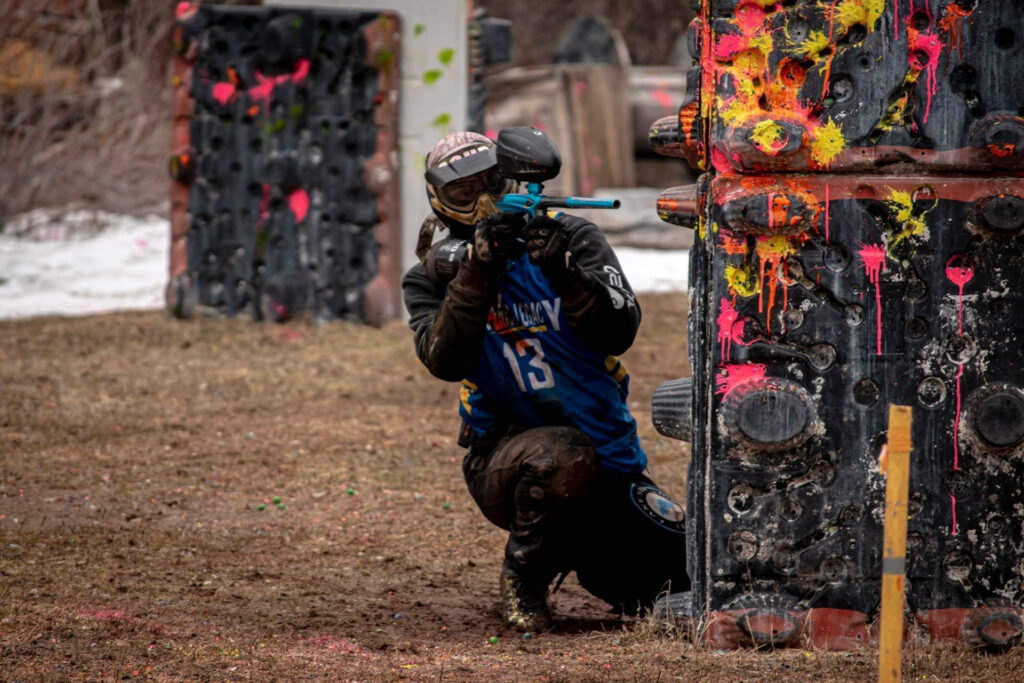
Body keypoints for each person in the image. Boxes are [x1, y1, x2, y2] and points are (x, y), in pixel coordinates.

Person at [402, 130, 688, 632]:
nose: (483, 201)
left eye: (491, 182)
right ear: (439, 202)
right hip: (505, 460)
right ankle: (524, 579)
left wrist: (568, 276)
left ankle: (573, 550)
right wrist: (476, 273)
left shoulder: (571, 237)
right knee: (560, 454)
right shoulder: (429, 279)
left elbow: (621, 330)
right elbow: (445, 360)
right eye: (463, 194)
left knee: (677, 575)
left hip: (609, 459)